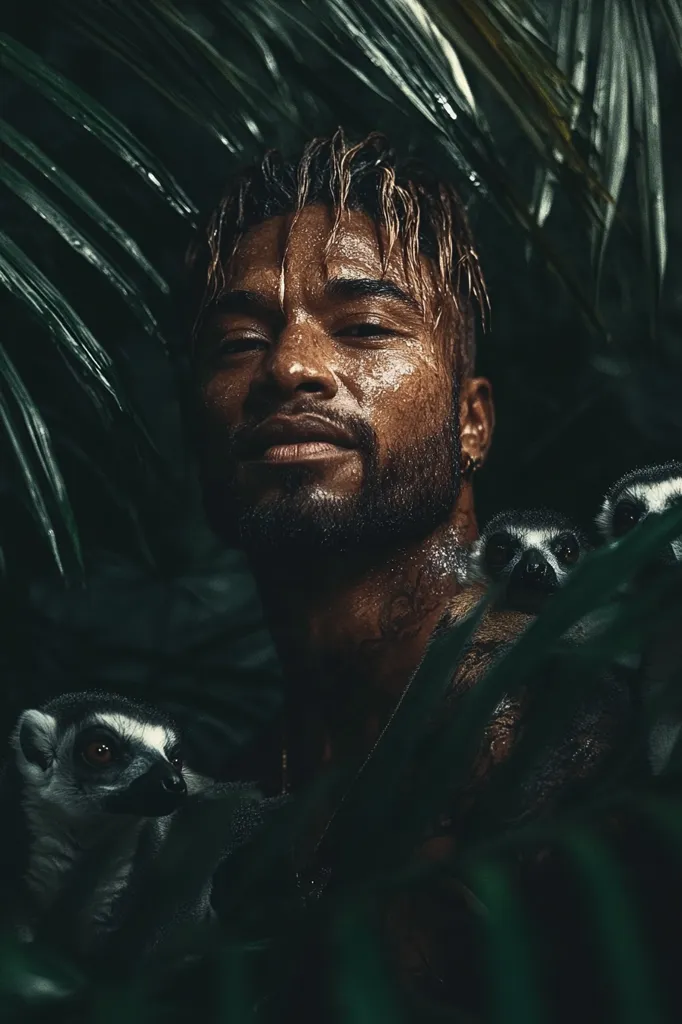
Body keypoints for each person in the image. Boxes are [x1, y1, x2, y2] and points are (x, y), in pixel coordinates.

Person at [185, 129, 632, 1004]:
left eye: (364, 327)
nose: (291, 367)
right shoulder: (206, 822)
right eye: (239, 342)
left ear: (472, 422)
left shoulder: (606, 763)